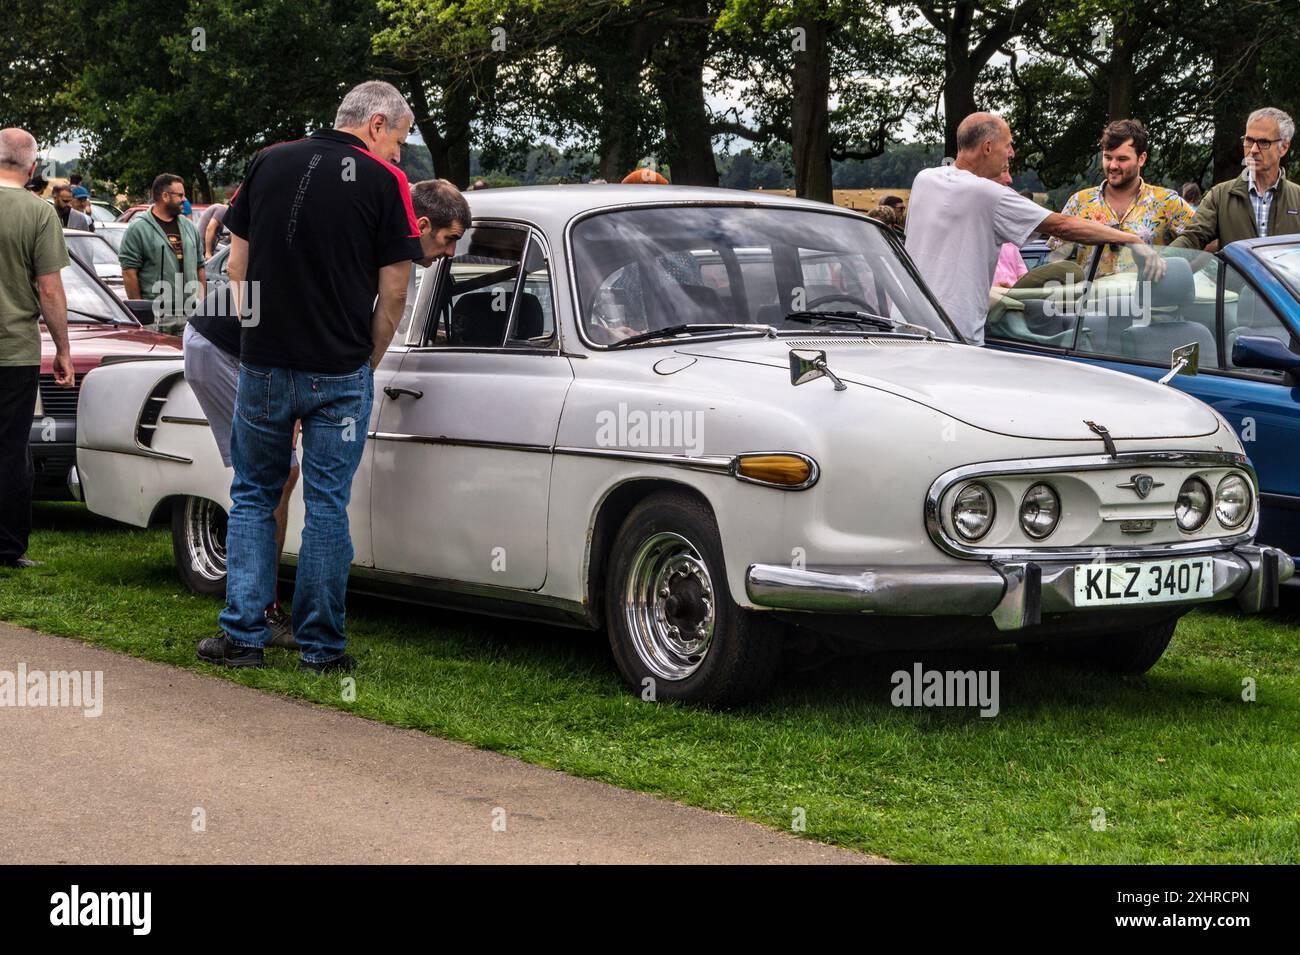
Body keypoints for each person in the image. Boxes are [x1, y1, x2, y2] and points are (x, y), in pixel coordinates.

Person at [197, 80, 424, 673]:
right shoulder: (383, 183)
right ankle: (321, 647)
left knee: (252, 495)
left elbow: (238, 265)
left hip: (265, 362)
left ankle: (243, 637)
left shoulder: (269, 162)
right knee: (326, 505)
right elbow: (394, 290)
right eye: (398, 139)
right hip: (339, 368)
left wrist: (259, 333)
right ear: (376, 124)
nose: (400, 153)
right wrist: (366, 362)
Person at [905, 112, 1163, 344]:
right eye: (1008, 145)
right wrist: (1131, 239)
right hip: (954, 333)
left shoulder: (924, 179)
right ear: (987, 147)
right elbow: (1063, 226)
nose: (1012, 153)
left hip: (906, 322)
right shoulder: (988, 194)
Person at [0, 128, 74, 568]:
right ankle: (8, 547)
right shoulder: (39, 212)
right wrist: (63, 350)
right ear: (32, 169)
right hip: (14, 349)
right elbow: (50, 290)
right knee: (10, 448)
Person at [1048, 119, 1195, 276]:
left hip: (1146, 298)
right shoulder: (1079, 202)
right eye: (1108, 157)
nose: (1113, 165)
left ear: (1142, 158)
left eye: (1122, 159)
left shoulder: (1167, 202)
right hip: (1091, 299)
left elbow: (1204, 244)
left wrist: (1174, 277)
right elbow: (1055, 257)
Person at [1171, 107, 1299, 250]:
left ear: (1284, 147)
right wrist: (1163, 262)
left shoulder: (1297, 198)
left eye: (1263, 142)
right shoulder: (1220, 196)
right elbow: (1192, 238)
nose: (1253, 150)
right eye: (1249, 140)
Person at [119, 174, 205, 333]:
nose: (184, 200)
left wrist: (201, 303)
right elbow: (129, 272)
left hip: (190, 315)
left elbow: (200, 266)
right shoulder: (138, 228)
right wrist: (142, 312)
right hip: (157, 317)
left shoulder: (189, 227)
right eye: (180, 195)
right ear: (165, 196)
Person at [993, 171, 1028, 288]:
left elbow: (1023, 276)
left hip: (1011, 299)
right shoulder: (971, 242)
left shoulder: (1010, 245)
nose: (1009, 180)